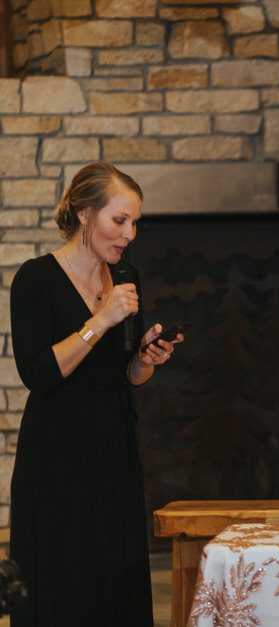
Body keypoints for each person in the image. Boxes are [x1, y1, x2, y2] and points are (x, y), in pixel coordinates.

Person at [9, 162, 184, 625]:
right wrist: (100, 321)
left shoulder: (125, 276)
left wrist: (147, 358)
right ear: (85, 214)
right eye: (119, 220)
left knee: (115, 578)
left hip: (114, 450)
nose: (129, 234)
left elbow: (127, 375)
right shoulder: (35, 279)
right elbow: (38, 374)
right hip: (57, 457)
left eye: (135, 223)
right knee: (65, 581)